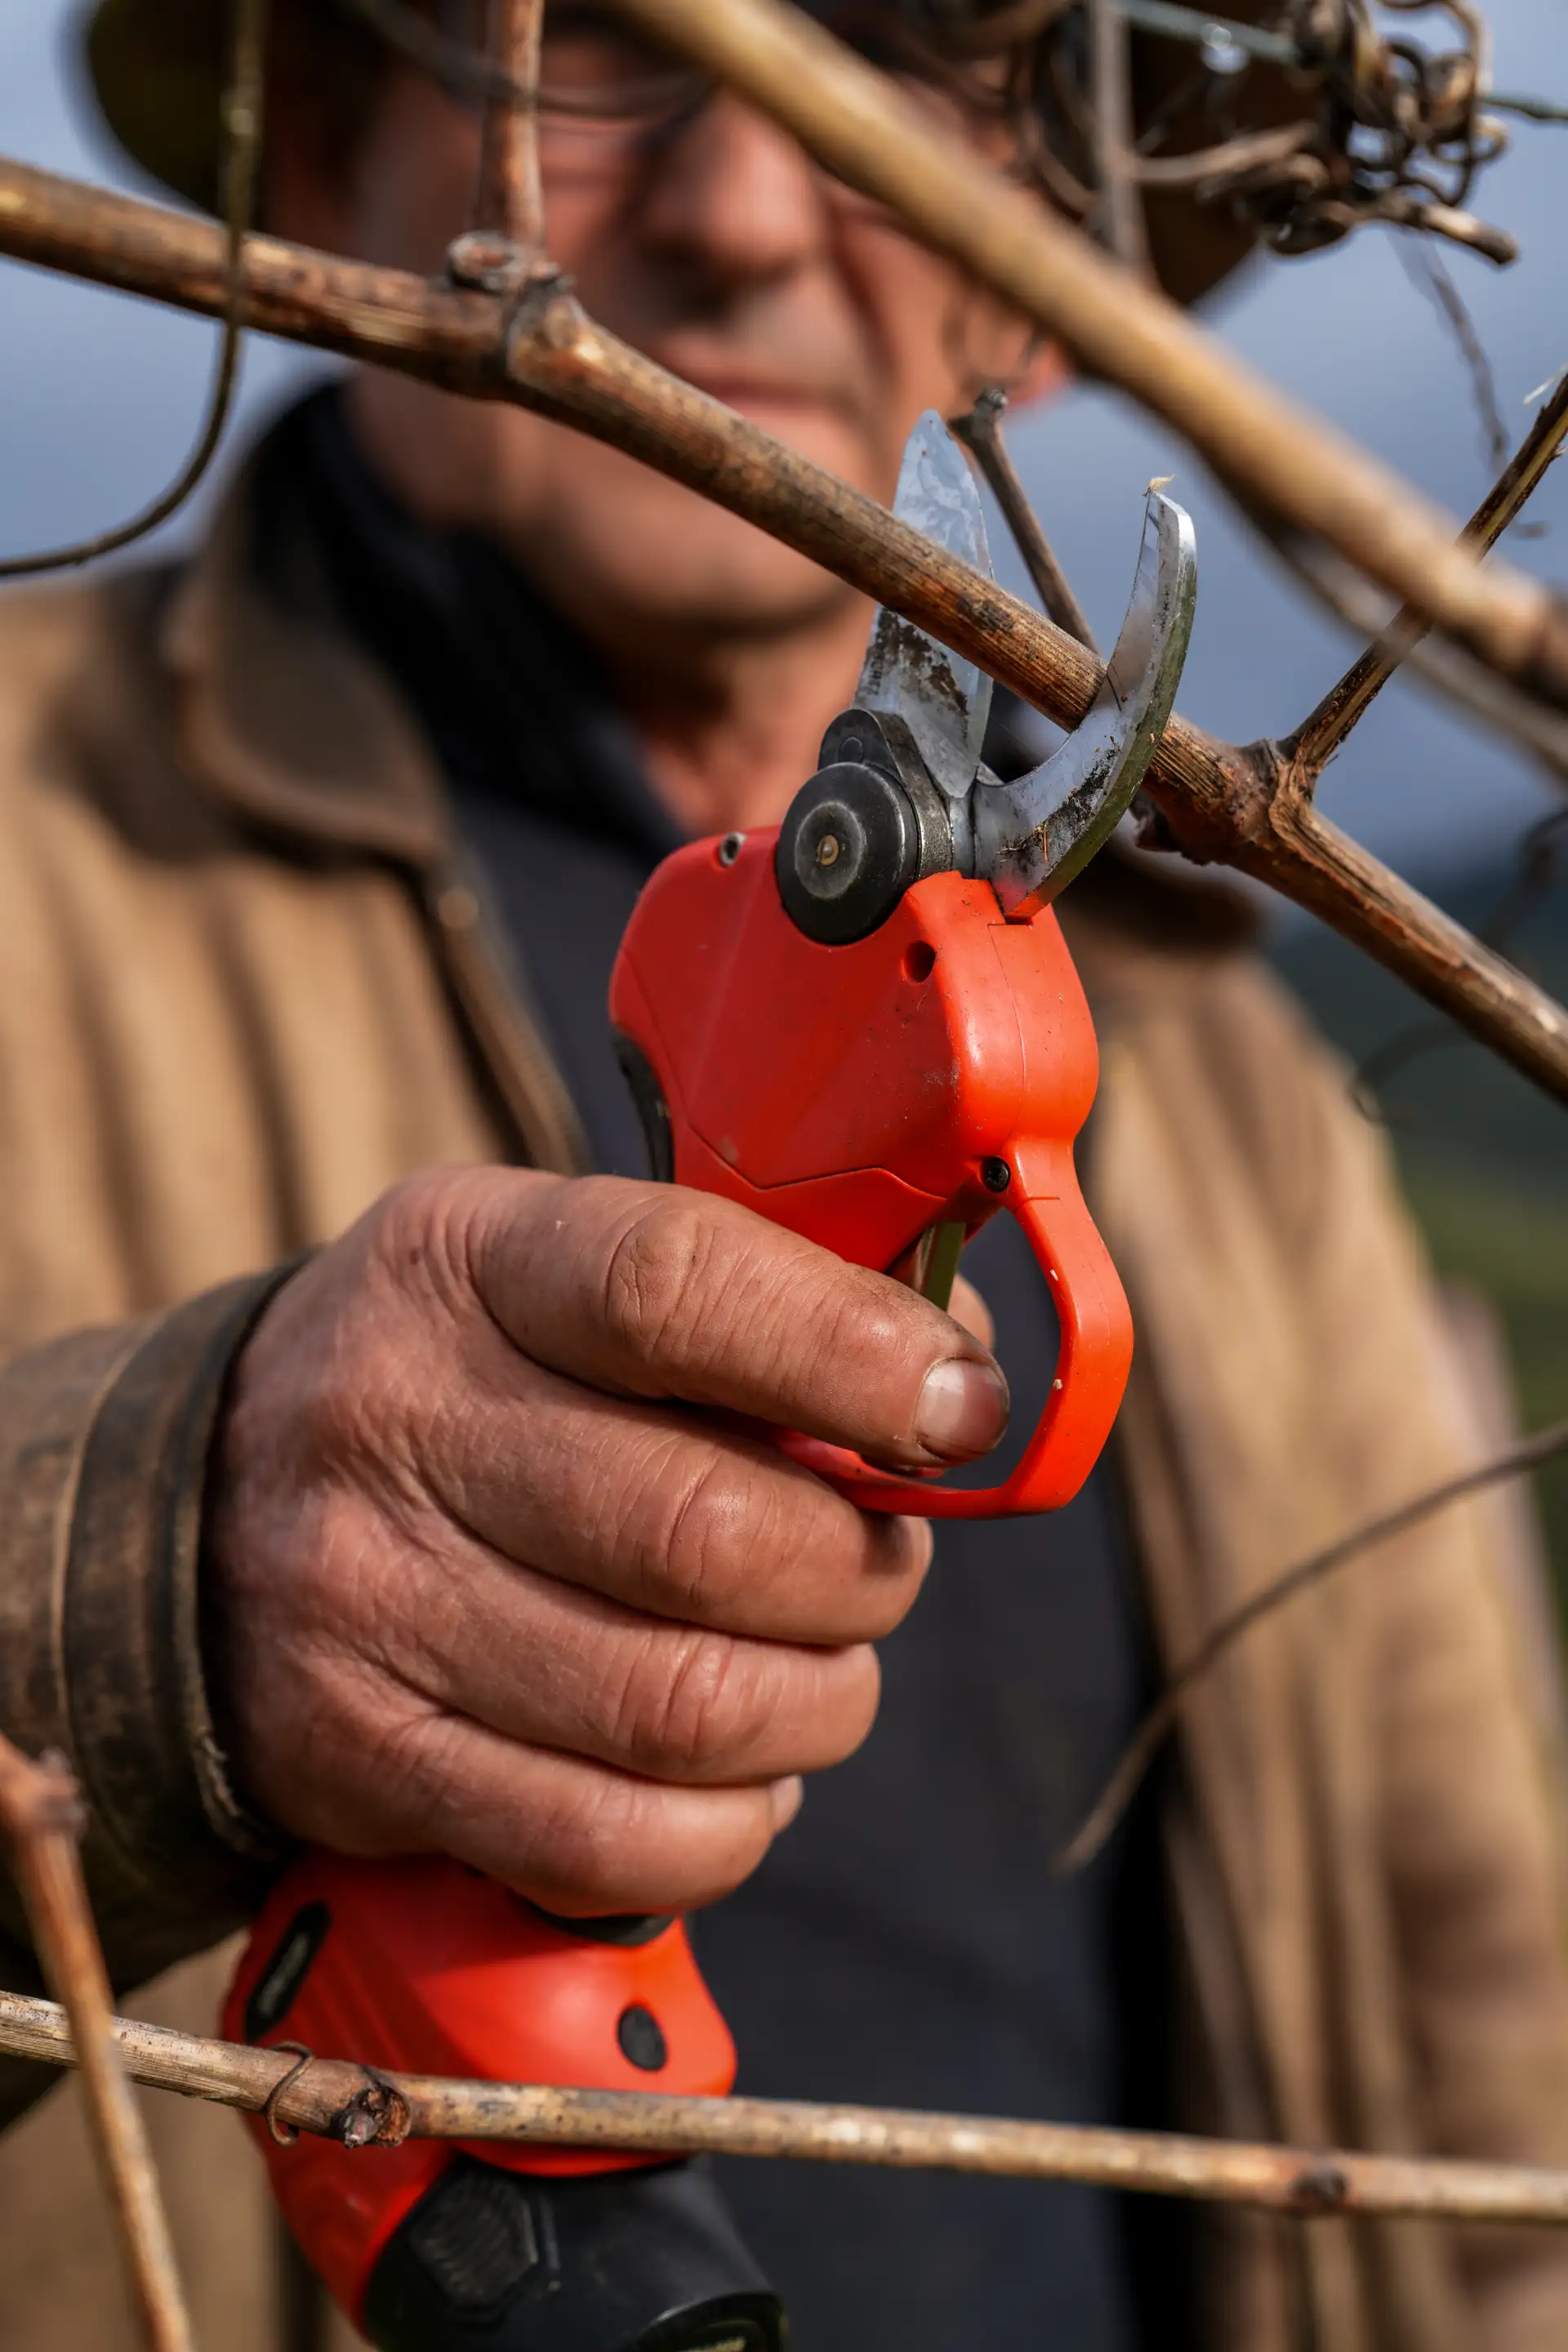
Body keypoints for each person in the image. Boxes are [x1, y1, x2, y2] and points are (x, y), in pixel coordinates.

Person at [0, 1, 1566, 2345]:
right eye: (599, 46)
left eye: (887, 73)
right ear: (333, 152)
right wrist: (136, 1585)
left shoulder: (1239, 1085)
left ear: (1028, 270)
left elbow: (1495, 2064)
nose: (737, 216)